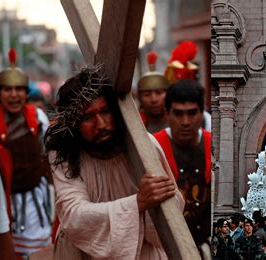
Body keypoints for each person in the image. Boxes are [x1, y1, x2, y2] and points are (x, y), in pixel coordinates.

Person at [45, 66, 184, 259]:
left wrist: (152, 201)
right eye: (87, 117)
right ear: (74, 124)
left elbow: (172, 205)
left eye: (105, 111)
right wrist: (137, 203)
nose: (101, 124)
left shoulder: (145, 145)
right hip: (82, 253)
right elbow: (74, 216)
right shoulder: (64, 154)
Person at [0, 48, 52, 257]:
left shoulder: (39, 117)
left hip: (34, 197)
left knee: (37, 252)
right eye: (7, 89)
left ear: (26, 93)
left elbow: (49, 157)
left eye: (19, 89)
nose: (14, 95)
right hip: (0, 201)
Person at [153, 79, 211, 249]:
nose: (185, 122)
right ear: (167, 114)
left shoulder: (212, 143)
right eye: (178, 113)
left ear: (202, 113)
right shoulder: (152, 147)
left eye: (192, 113)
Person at [137, 51, 170, 133]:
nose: (154, 99)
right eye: (147, 94)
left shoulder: (176, 123)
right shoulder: (136, 124)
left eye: (159, 93)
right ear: (139, 97)